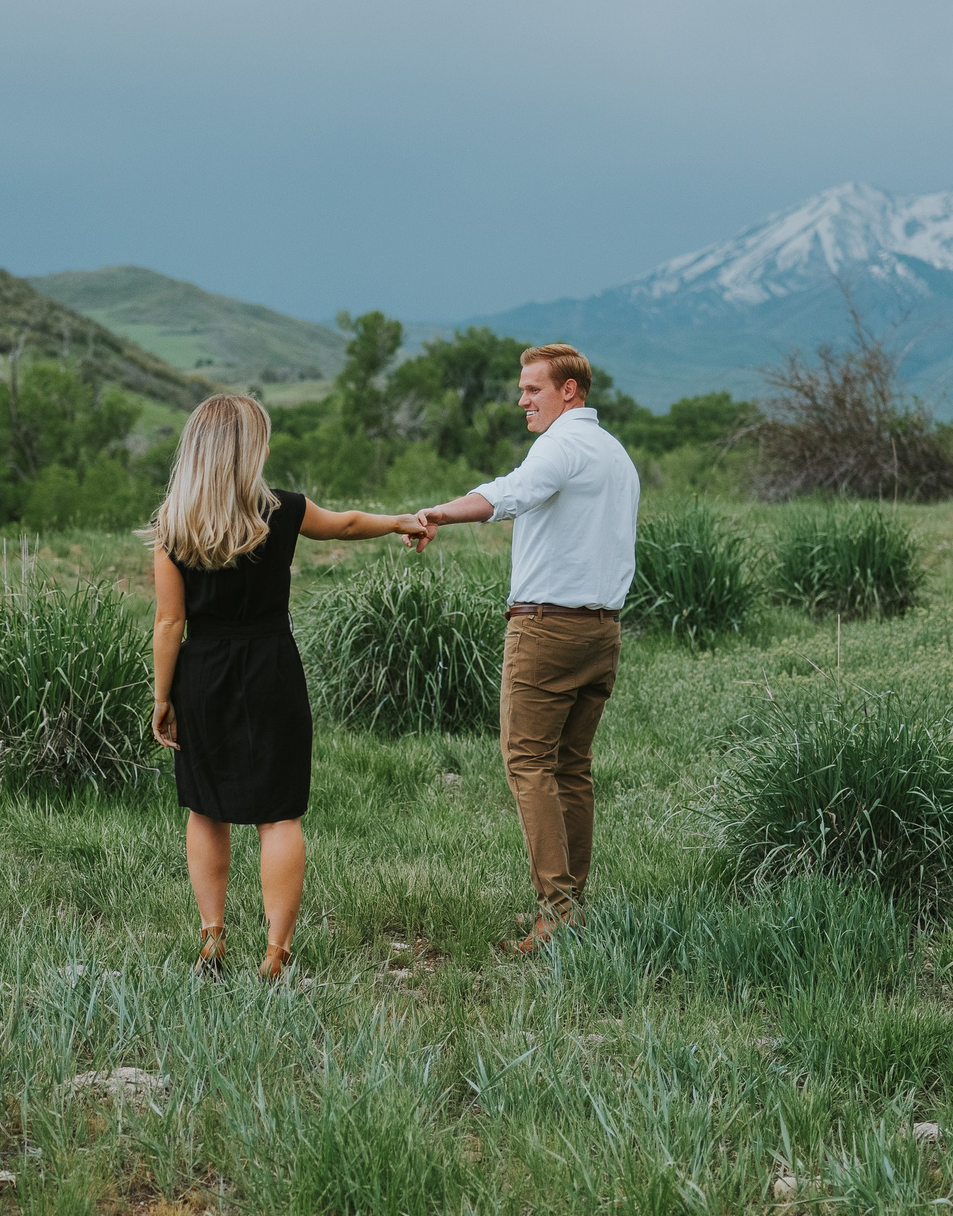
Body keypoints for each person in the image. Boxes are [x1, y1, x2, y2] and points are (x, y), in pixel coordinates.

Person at [148, 394, 426, 981]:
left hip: (203, 673)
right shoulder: (285, 510)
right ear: (252, 449)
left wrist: (162, 699)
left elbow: (169, 623)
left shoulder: (172, 528)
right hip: (272, 666)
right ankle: (275, 956)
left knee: (206, 809)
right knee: (278, 816)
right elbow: (347, 525)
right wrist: (400, 520)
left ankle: (212, 941)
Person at [410, 343, 639, 952]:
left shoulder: (561, 446)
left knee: (529, 764)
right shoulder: (614, 451)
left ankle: (558, 912)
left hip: (548, 629)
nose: (522, 400)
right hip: (603, 630)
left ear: (570, 391)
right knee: (571, 767)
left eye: (533, 389)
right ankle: (571, 904)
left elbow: (506, 494)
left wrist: (435, 513)